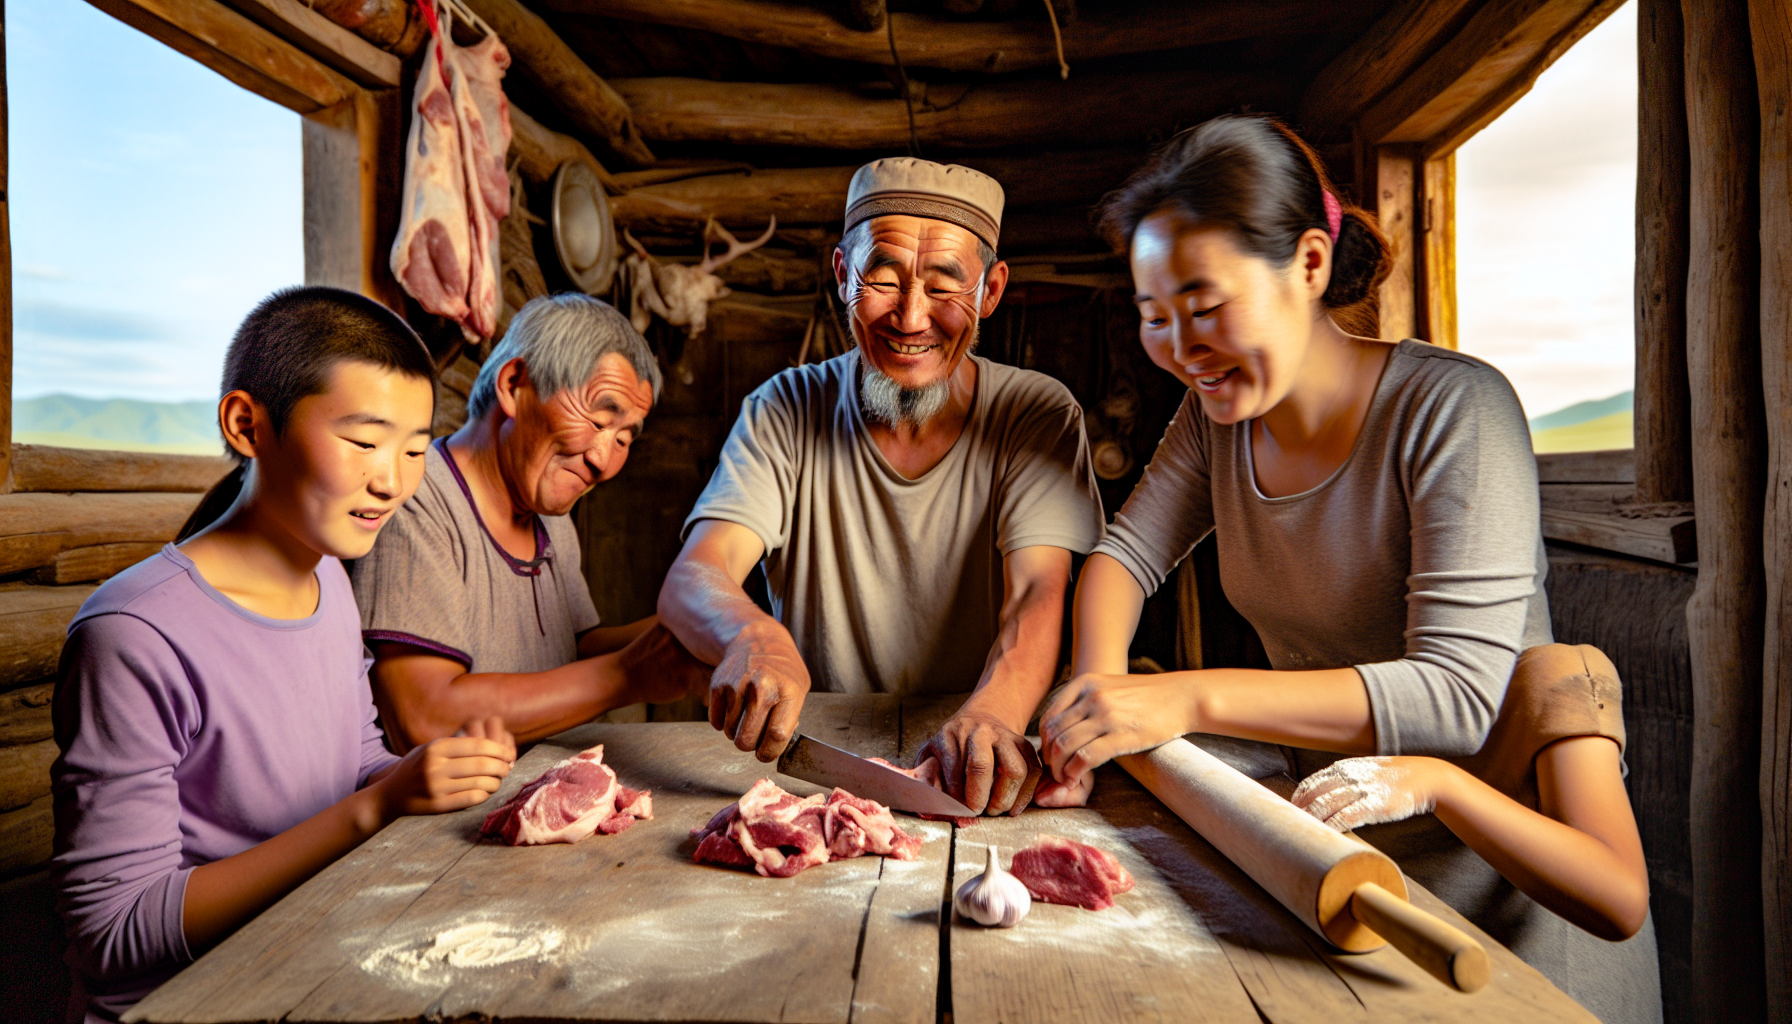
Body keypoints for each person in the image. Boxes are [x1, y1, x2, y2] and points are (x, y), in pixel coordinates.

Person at [1036, 116, 1661, 1021]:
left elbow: (1454, 694)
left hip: (1504, 902)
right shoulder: (1215, 418)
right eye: (1153, 317)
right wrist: (1095, 703)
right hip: (1333, 856)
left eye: (1206, 307)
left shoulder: (1453, 409)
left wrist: (1182, 697)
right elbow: (1123, 560)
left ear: (1311, 264)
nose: (1179, 346)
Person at [52, 287, 517, 1023]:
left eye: (415, 449)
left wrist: (428, 775)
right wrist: (376, 807)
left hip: (307, 966)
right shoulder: (132, 633)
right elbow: (113, 934)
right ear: (248, 426)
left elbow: (349, 760)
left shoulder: (328, 576)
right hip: (184, 1006)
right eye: (364, 442)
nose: (391, 479)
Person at [658, 158, 1105, 816]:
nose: (911, 316)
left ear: (990, 291)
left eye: (945, 285)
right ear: (843, 274)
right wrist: (751, 635)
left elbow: (1038, 593)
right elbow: (697, 573)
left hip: (977, 763)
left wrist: (991, 717)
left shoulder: (1035, 414)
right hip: (815, 778)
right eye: (883, 279)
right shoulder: (784, 408)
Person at [352, 294, 709, 750]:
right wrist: (627, 675)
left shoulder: (547, 510)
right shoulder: (417, 502)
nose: (603, 459)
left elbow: (571, 654)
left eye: (623, 438)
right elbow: (422, 718)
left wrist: (697, 623)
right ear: (514, 384)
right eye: (599, 421)